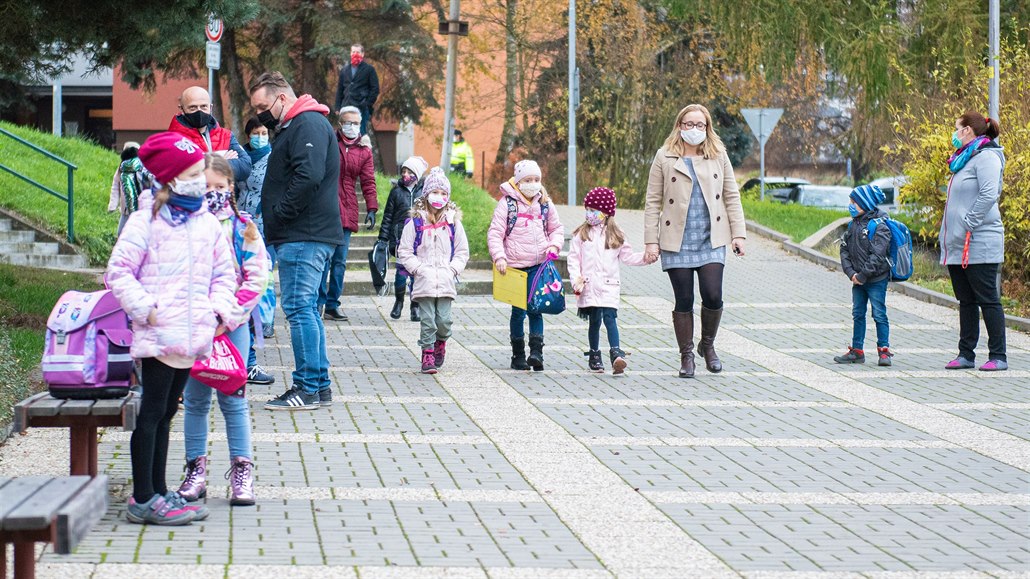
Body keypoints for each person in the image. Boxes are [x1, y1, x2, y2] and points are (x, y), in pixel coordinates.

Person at [105, 132, 238, 525]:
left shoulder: (207, 222)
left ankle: (160, 491)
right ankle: (143, 498)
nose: (200, 180)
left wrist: (218, 312)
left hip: (193, 335)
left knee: (166, 413)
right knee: (152, 412)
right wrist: (146, 309)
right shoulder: (145, 220)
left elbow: (224, 273)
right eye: (194, 173)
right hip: (160, 334)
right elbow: (119, 271)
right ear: (171, 177)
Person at [178, 154, 269, 507]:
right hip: (194, 326)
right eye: (206, 187)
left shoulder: (243, 226)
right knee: (196, 402)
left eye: (220, 186)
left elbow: (256, 277)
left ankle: (242, 470)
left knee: (234, 401)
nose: (213, 192)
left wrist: (227, 318)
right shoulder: (185, 225)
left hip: (232, 328)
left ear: (231, 188)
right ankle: (195, 471)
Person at [249, 71, 342, 411]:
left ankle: (306, 388)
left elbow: (309, 175)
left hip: (304, 233)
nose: (260, 113)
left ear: (282, 99)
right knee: (307, 311)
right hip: (306, 232)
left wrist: (280, 212)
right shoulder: (303, 125)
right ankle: (319, 385)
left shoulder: (306, 125)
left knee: (300, 309)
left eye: (263, 105)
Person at [643, 104, 746, 379]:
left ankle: (707, 345)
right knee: (684, 299)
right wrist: (651, 242)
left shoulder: (718, 155)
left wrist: (738, 234)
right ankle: (686, 355)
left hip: (711, 238)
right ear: (679, 126)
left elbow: (731, 196)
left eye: (700, 125)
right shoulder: (664, 156)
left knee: (713, 295)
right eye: (689, 124)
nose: (694, 129)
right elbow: (653, 201)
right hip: (676, 240)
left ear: (707, 128)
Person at [940, 110, 1008, 371]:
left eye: (957, 129)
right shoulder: (963, 160)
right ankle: (966, 354)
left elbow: (990, 193)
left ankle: (998, 356)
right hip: (959, 243)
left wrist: (969, 222)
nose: (954, 134)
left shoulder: (987, 156)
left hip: (980, 242)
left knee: (988, 299)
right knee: (966, 300)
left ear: (968, 130)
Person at [487, 160, 564, 371]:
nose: (533, 184)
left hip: (538, 266)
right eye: (528, 180)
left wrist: (554, 246)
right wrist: (499, 257)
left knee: (536, 310)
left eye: (536, 180)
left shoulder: (545, 203)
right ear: (518, 182)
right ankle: (518, 354)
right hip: (515, 267)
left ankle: (537, 352)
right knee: (518, 312)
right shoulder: (507, 204)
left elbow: (556, 228)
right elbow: (495, 233)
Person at [567, 187, 648, 375]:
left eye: (593, 210)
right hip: (588, 285)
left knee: (610, 318)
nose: (589, 214)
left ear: (605, 212)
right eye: (587, 209)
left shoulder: (616, 234)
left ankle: (616, 353)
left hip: (609, 286)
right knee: (594, 321)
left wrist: (646, 257)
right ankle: (595, 354)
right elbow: (573, 259)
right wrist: (575, 279)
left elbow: (628, 257)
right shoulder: (582, 234)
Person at [397, 167, 470, 373]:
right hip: (424, 280)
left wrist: (453, 269)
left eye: (443, 193)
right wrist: (418, 269)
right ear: (427, 194)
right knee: (428, 320)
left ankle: (440, 343)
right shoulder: (416, 222)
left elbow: (462, 251)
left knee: (444, 321)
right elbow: (405, 250)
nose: (439, 197)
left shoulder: (453, 223)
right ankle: (427, 354)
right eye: (435, 192)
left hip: (446, 280)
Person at [318, 106, 379, 321]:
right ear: (340, 123)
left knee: (339, 261)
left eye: (356, 123)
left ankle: (333, 304)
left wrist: (371, 207)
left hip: (347, 209)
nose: (351, 127)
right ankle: (318, 303)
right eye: (348, 122)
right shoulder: (329, 141)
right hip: (325, 208)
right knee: (323, 260)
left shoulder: (364, 151)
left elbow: (368, 181)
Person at [834, 184, 894, 367]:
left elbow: (878, 255)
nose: (851, 205)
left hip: (875, 280)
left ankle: (884, 351)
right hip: (857, 280)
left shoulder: (880, 226)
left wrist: (863, 275)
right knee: (858, 314)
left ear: (865, 203)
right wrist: (851, 273)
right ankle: (857, 351)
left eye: (854, 202)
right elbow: (844, 250)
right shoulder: (853, 225)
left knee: (879, 314)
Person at [237, 117, 278, 386]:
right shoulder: (240, 159)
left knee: (265, 274)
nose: (260, 136)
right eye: (256, 133)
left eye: (264, 132)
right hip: (241, 223)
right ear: (248, 134)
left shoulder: (274, 158)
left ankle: (265, 319)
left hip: (266, 224)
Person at [380, 155, 429, 320]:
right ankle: (398, 302)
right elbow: (388, 216)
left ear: (417, 174)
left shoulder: (424, 192)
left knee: (416, 274)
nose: (405, 175)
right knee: (401, 274)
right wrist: (383, 239)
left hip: (419, 240)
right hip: (400, 239)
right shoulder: (396, 192)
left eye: (409, 172)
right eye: (403, 171)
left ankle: (414, 306)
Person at [168, 86, 251, 182]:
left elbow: (245, 168)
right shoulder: (172, 140)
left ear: (210, 107)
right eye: (193, 108)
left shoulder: (226, 136)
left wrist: (202, 165)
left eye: (203, 106)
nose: (199, 111)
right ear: (182, 109)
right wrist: (221, 162)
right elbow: (180, 172)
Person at [333, 44, 380, 136]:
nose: (355, 54)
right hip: (346, 106)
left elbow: (375, 89)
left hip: (361, 108)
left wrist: (367, 103)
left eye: (357, 52)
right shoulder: (344, 70)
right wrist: (337, 107)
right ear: (350, 53)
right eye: (353, 52)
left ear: (362, 54)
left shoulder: (369, 70)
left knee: (360, 133)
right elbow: (340, 90)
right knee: (345, 133)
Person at [107, 141, 150, 236]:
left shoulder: (142, 169)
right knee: (121, 233)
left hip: (140, 208)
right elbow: (115, 186)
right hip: (125, 210)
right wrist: (112, 205)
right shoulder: (121, 169)